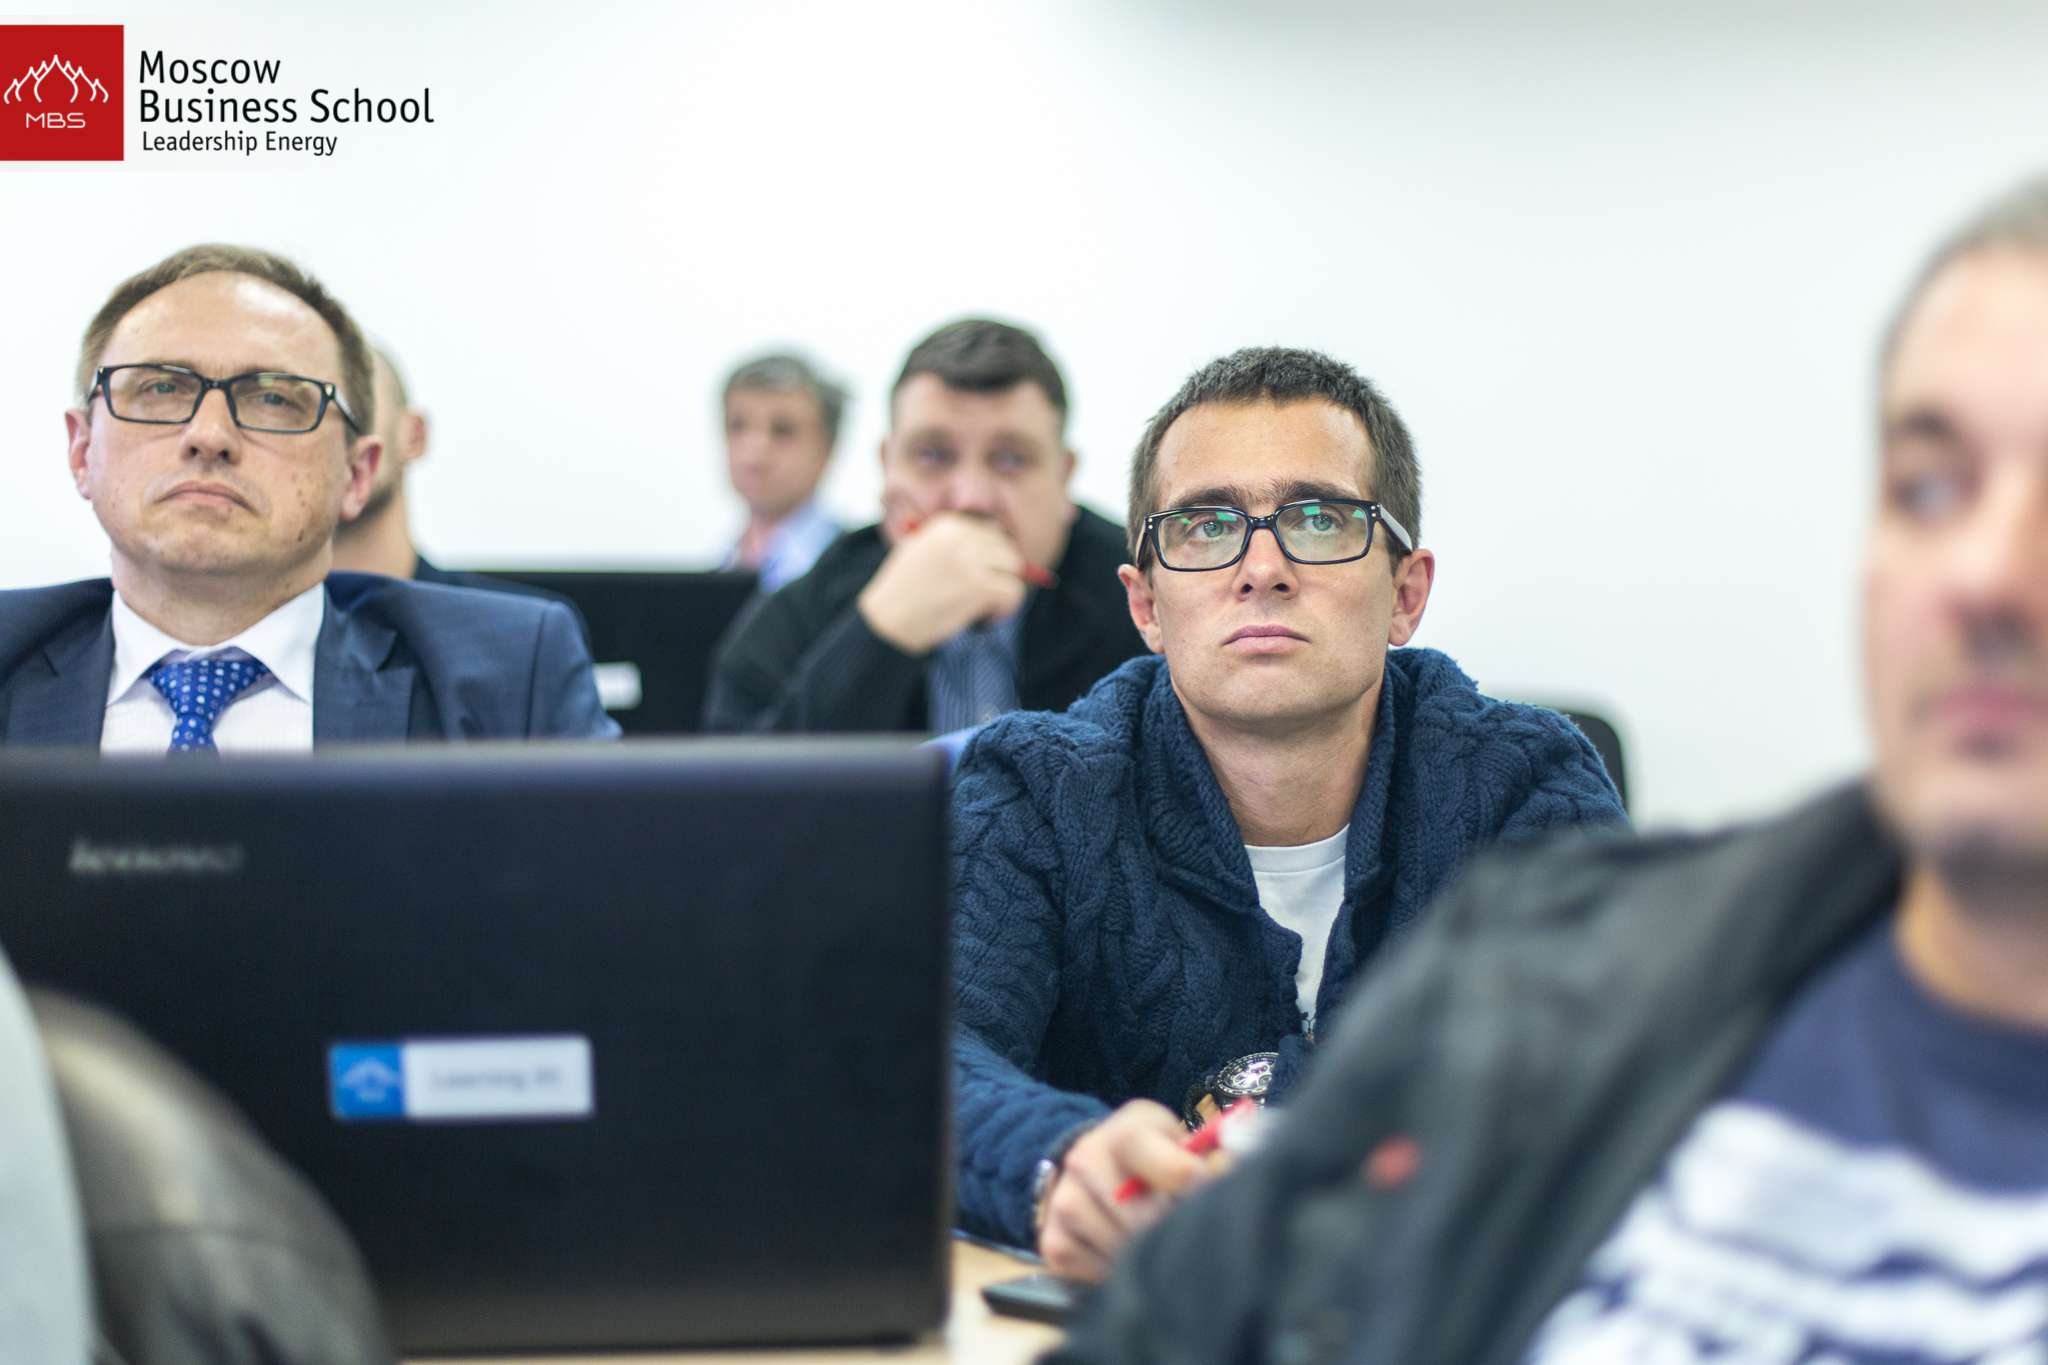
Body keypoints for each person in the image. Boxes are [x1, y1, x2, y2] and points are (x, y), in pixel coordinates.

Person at [1056, 176, 2048, 1364]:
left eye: (1314, 523)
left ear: (1404, 592)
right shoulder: (1567, 956)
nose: (1984, 576)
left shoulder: (1514, 802)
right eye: (1928, 489)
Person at [950, 346, 1625, 1279]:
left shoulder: (1527, 785)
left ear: (1406, 593)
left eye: (1318, 518)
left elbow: (1613, 1075)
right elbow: (929, 1055)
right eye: (1205, 525)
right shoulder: (1032, 787)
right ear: (1146, 606)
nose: (1261, 568)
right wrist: (1058, 1162)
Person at [0, 243, 617, 748]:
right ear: (82, 451)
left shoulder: (510, 674)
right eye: (161, 389)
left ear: (357, 474)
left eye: (273, 398)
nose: (209, 436)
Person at [702, 318, 1144, 733]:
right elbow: (741, 783)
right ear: (887, 469)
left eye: (1011, 459)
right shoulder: (798, 614)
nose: (970, 498)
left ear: (1064, 479)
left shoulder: (1144, 599)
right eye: (933, 455)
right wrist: (879, 634)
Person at [718, 351, 846, 591]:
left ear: (827, 448)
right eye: (738, 426)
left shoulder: (856, 569)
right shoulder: (718, 565)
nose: (755, 449)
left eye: (782, 430)